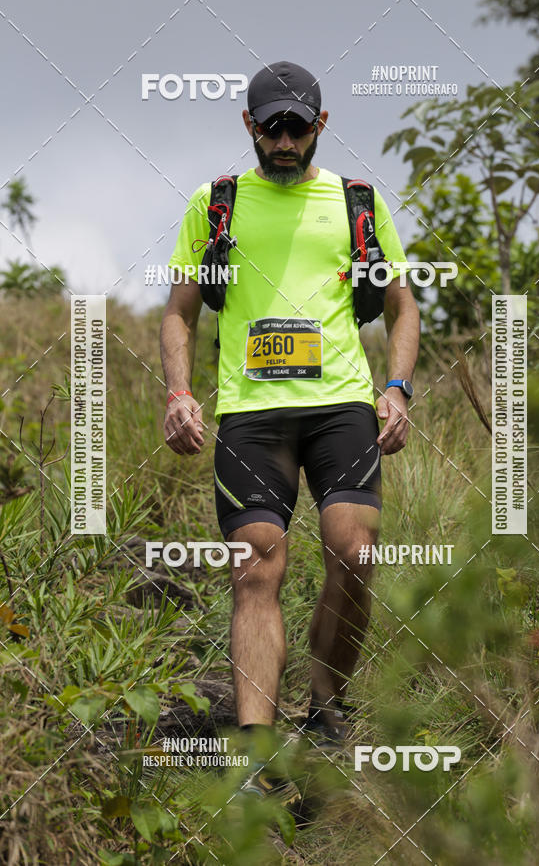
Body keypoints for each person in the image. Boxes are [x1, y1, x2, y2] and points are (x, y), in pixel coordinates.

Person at [159, 60, 420, 748]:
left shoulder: (358, 202)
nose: (284, 141)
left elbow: (402, 307)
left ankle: (328, 712)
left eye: (297, 129)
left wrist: (395, 388)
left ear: (320, 127)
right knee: (256, 565)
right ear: (249, 124)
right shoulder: (216, 204)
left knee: (356, 553)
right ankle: (255, 748)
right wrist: (179, 392)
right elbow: (180, 312)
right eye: (271, 127)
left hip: (341, 407)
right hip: (251, 414)